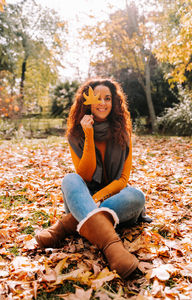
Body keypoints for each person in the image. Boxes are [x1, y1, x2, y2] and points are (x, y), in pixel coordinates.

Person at [35, 78, 148, 279]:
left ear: (114, 103)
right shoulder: (76, 134)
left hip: (112, 199)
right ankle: (113, 247)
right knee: (70, 179)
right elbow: (84, 175)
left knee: (136, 196)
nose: (102, 103)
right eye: (97, 98)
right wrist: (89, 136)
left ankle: (66, 226)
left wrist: (98, 199)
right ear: (87, 101)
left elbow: (122, 180)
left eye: (108, 98)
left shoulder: (123, 132)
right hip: (82, 197)